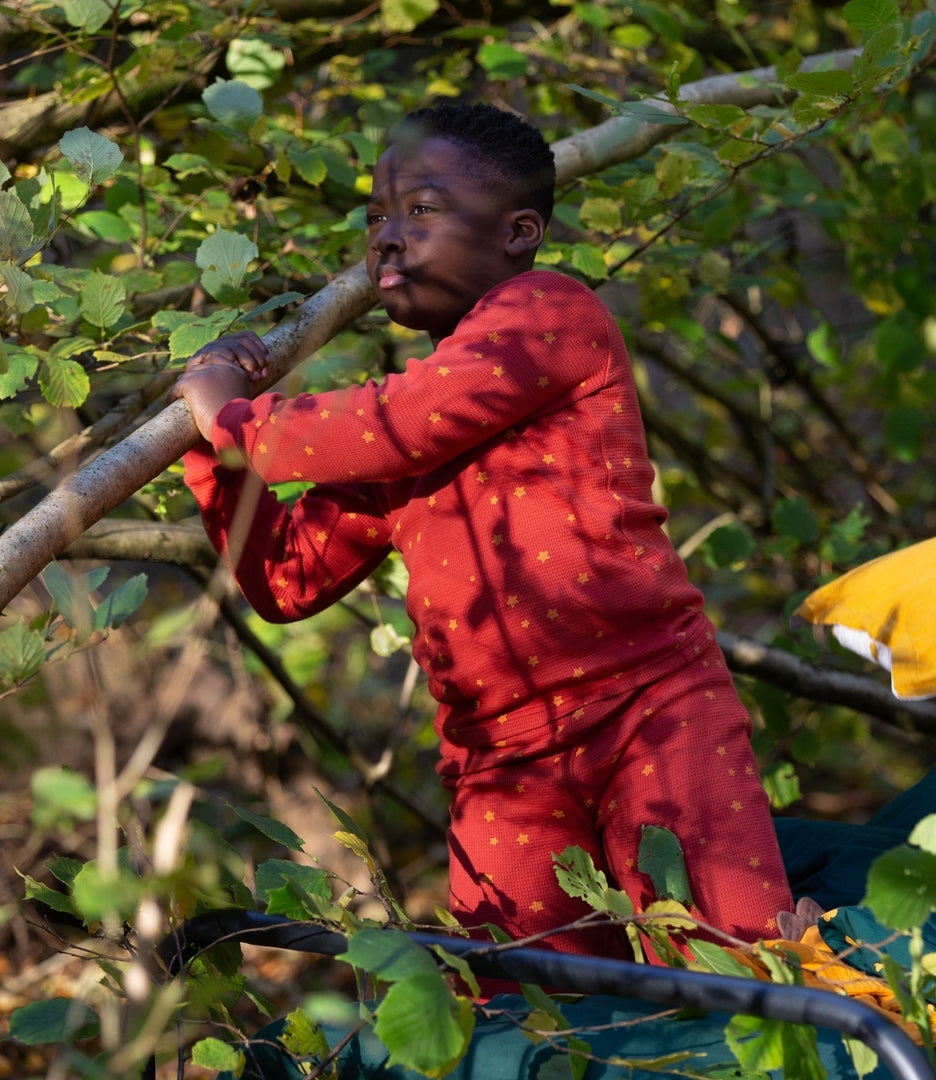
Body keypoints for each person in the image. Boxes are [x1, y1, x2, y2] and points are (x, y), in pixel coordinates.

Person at [174, 101, 793, 959]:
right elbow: (287, 578)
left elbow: (401, 421)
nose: (387, 238)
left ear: (518, 231)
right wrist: (216, 459)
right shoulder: (403, 423)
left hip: (648, 708)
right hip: (499, 762)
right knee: (530, 1008)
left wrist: (235, 420)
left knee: (743, 968)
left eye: (420, 210)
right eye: (375, 218)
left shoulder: (550, 312)